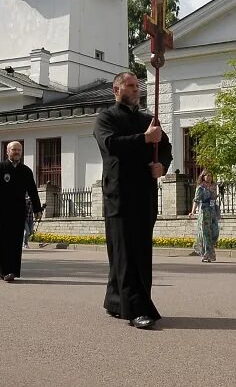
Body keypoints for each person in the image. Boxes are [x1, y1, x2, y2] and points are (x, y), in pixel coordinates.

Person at [93, 72, 172, 330]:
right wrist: (144, 139)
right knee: (125, 252)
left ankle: (116, 301)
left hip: (144, 194)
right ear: (116, 89)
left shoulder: (149, 119)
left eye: (138, 85)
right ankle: (136, 309)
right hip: (119, 195)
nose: (136, 89)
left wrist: (163, 166)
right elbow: (111, 144)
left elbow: (166, 148)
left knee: (139, 251)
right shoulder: (106, 118)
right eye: (130, 85)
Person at [0, 141, 42, 282]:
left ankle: (13, 271)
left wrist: (37, 209)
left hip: (18, 211)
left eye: (19, 150)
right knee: (3, 242)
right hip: (1, 211)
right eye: (14, 150)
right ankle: (4, 271)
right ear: (7, 151)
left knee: (16, 243)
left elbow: (33, 191)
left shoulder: (26, 171)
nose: (17, 152)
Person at [189, 170, 219, 263]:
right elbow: (196, 200)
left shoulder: (214, 186)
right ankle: (207, 255)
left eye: (211, 175)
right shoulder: (200, 188)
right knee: (206, 234)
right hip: (204, 212)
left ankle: (208, 252)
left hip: (213, 212)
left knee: (215, 232)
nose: (209, 177)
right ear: (203, 177)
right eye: (207, 176)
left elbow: (214, 199)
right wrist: (192, 211)